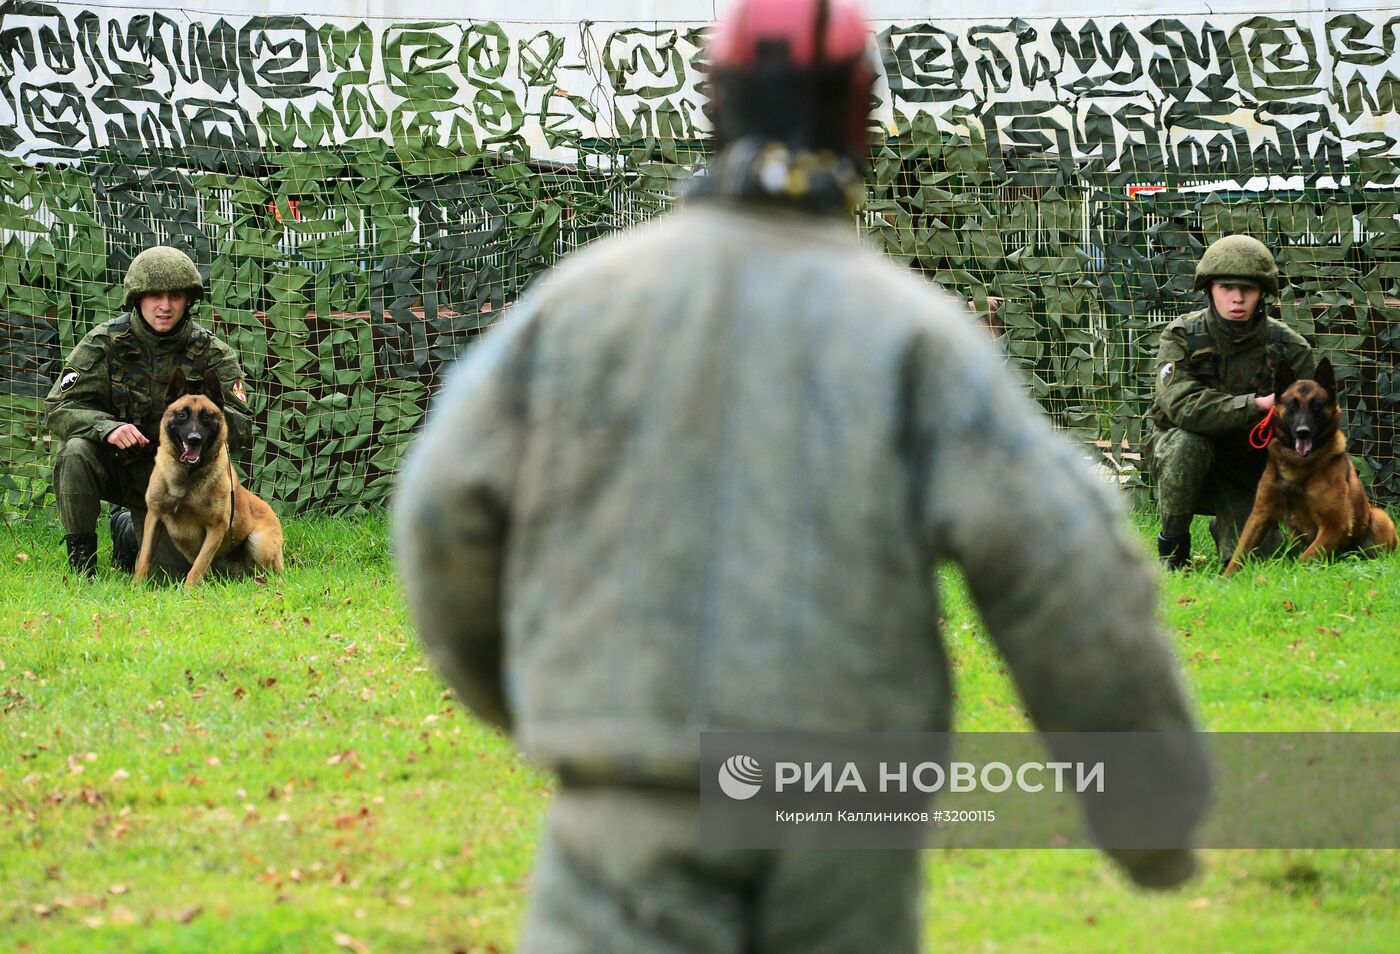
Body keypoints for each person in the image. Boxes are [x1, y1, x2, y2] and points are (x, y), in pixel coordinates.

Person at [394, 0, 1209, 949]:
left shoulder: (578, 306)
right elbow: (1069, 572)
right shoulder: (917, 334)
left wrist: (521, 697)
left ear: (717, 106)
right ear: (859, 114)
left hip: (628, 798)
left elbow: (440, 510)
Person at [46, 246, 253, 577]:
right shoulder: (105, 343)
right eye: (154, 295)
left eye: (175, 296)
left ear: (189, 300)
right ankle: (82, 566)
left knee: (167, 575)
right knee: (75, 451)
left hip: (181, 481)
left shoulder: (212, 353)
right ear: (137, 298)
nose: (165, 306)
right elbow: (59, 407)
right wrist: (106, 427)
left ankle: (127, 531)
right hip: (119, 466)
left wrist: (202, 430)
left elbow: (242, 424)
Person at [1149, 235, 1315, 569]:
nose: (1237, 298)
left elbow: (1311, 426)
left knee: (1254, 565)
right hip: (1184, 462)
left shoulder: (1291, 349)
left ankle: (1227, 524)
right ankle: (1174, 545)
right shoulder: (1182, 335)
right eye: (1226, 287)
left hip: (1248, 467)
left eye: (1248, 289)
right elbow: (1183, 407)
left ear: (1262, 294)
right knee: (1188, 443)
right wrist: (1257, 405)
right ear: (1209, 288)